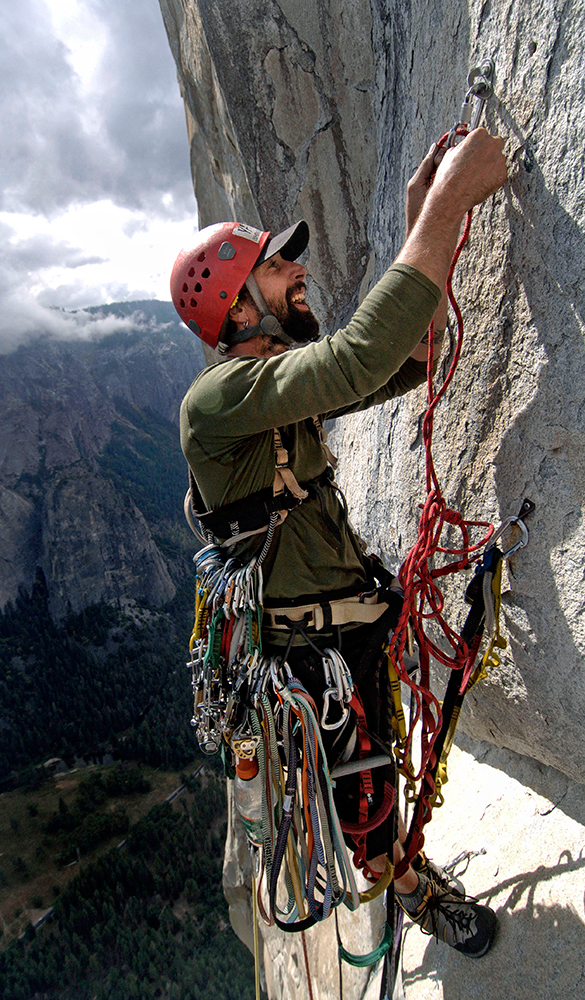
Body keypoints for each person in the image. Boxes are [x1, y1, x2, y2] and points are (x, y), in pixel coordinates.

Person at [172, 128, 507, 958]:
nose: (301, 275)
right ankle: (409, 890)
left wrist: (419, 221)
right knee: (366, 804)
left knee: (380, 773)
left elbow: (409, 356)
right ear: (238, 307)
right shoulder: (217, 405)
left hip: (349, 631)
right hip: (310, 662)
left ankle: (404, 873)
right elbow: (359, 361)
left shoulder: (268, 393)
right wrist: (448, 203)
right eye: (279, 269)